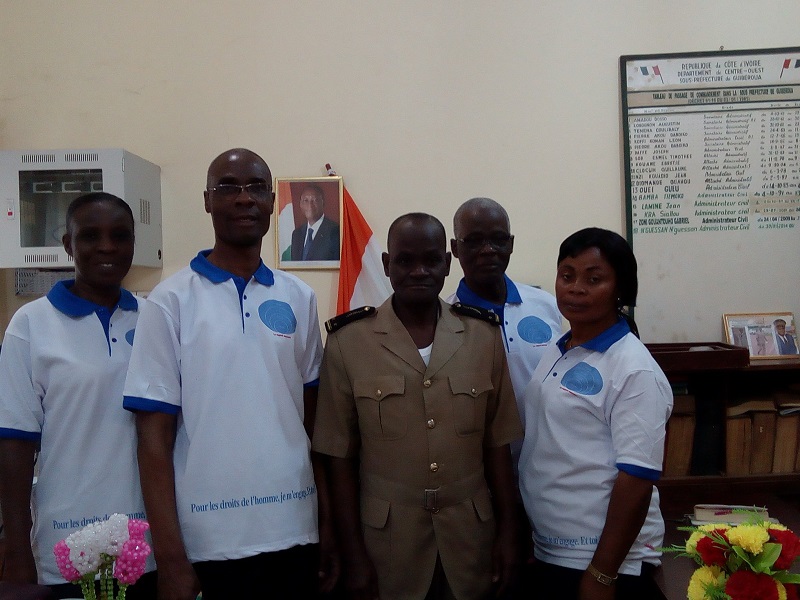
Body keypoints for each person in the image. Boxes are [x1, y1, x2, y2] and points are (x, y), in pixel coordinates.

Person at [122, 149, 336, 599]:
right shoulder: (170, 302)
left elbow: (314, 426)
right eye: (228, 187)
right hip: (208, 543)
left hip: (293, 531)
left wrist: (326, 525)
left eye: (256, 187)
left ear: (274, 201)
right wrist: (172, 558)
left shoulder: (300, 297)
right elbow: (153, 440)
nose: (244, 198)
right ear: (206, 201)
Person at [313, 212, 522, 599]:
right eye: (406, 261)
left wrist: (509, 533)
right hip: (387, 544)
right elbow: (338, 458)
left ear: (447, 263)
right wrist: (352, 553)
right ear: (388, 265)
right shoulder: (349, 342)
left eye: (431, 260)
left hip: (470, 537)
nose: (419, 271)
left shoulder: (483, 336)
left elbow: (498, 446)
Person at [0, 192, 156, 599]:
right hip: (67, 546)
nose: (107, 246)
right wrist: (17, 551)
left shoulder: (155, 319)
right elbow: (14, 444)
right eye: (90, 236)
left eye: (120, 236)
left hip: (148, 546)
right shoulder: (31, 324)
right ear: (68, 245)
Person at [518, 227, 672, 600]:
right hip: (553, 548)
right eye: (567, 275)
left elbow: (636, 478)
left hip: (602, 560)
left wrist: (602, 573)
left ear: (620, 289)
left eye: (594, 278)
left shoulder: (633, 368)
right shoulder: (560, 348)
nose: (576, 288)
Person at [448, 197, 561, 427]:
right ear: (455, 248)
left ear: (510, 244)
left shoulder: (547, 306)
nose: (488, 250)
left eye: (498, 239)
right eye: (474, 241)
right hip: (479, 458)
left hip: (545, 456)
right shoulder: (443, 320)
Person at [290, 183, 340, 261]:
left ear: (323, 203)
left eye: (315, 200)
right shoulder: (296, 234)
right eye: (306, 200)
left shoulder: (335, 232)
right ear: (300, 204)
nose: (310, 205)